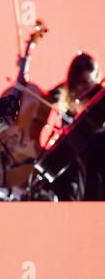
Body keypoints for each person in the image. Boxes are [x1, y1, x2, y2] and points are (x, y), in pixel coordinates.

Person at [45, 52, 102, 200]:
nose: (87, 88)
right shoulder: (66, 109)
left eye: (91, 81)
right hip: (73, 175)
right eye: (82, 82)